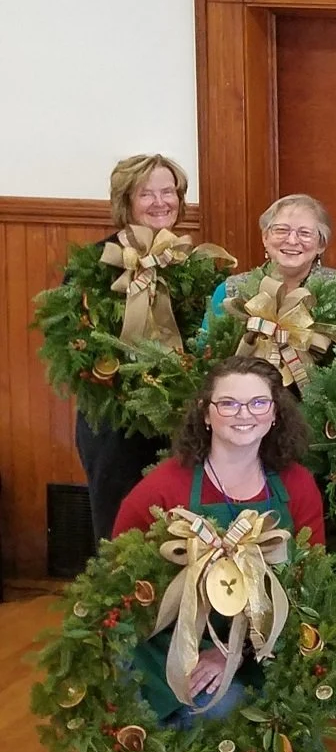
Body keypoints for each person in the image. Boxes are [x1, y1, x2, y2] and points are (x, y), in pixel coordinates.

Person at [113, 356, 324, 745]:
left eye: (258, 403)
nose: (244, 414)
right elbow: (120, 584)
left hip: (263, 647)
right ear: (206, 414)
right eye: (228, 403)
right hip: (175, 644)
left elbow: (312, 586)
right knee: (209, 715)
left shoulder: (296, 485)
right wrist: (194, 652)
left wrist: (235, 652)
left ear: (275, 414)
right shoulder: (163, 489)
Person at [76, 154, 191, 540]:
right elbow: (80, 346)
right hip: (116, 419)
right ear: (125, 202)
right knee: (119, 525)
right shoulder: (97, 262)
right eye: (147, 194)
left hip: (179, 417)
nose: (161, 202)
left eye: (168, 192)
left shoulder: (190, 261)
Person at [201, 193, 336, 339]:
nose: (292, 240)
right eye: (281, 230)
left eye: (305, 233)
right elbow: (207, 354)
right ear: (265, 238)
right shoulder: (230, 291)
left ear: (321, 245)